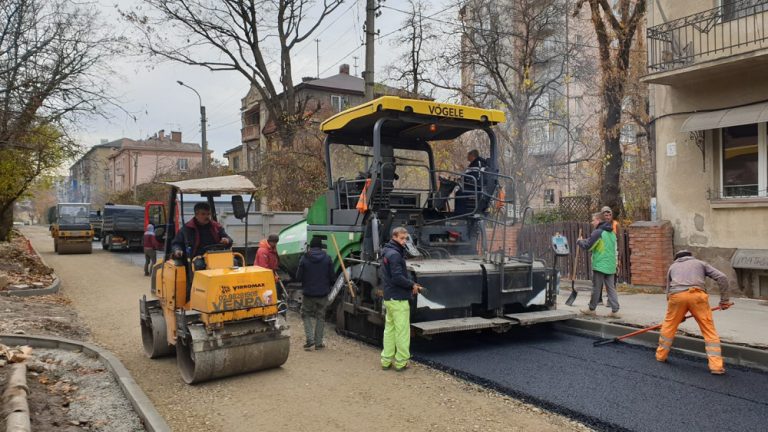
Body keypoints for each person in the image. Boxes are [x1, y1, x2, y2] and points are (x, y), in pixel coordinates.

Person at [656, 250, 732, 375]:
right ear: (690, 256)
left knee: (669, 326)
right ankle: (716, 366)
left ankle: (661, 356)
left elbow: (669, 291)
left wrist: (677, 316)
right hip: (697, 296)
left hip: (677, 296)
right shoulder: (700, 263)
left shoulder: (673, 267)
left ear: (676, 258)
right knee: (709, 330)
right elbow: (722, 277)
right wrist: (724, 300)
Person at [380, 226, 422, 371]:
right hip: (399, 299)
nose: (404, 241)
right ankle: (401, 362)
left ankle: (386, 360)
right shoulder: (396, 255)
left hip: (389, 297)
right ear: (394, 237)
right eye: (402, 238)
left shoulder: (386, 251)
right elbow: (398, 277)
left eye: (406, 238)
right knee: (402, 331)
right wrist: (412, 284)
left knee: (389, 330)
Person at [577, 212, 620, 318]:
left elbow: (588, 246)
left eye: (593, 220)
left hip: (600, 265)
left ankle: (591, 309)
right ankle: (615, 311)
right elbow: (596, 242)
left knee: (596, 288)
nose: (592, 222)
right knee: (611, 288)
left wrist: (579, 242)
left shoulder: (598, 232)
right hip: (610, 265)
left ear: (598, 220)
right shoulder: (611, 233)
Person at [296, 236, 335, 351]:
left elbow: (298, 277)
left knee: (305, 314)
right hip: (323, 293)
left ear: (311, 246)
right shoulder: (327, 258)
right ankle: (318, 343)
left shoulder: (304, 258)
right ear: (321, 246)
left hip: (308, 293)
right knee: (320, 317)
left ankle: (310, 340)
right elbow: (332, 277)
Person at [597, 206, 619, 305]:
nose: (608, 217)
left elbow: (619, 241)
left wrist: (619, 257)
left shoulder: (615, 225)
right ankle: (598, 299)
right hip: (601, 256)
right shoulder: (598, 225)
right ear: (602, 216)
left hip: (612, 255)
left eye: (609, 214)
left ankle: (611, 301)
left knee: (611, 281)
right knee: (599, 280)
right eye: (605, 215)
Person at [455, 149, 487, 215]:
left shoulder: (478, 163)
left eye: (468, 155)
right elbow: (470, 174)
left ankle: (460, 215)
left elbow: (477, 177)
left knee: (459, 193)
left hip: (476, 187)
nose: (467, 157)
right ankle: (459, 214)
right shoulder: (473, 163)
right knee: (459, 192)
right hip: (472, 185)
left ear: (472, 156)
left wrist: (465, 179)